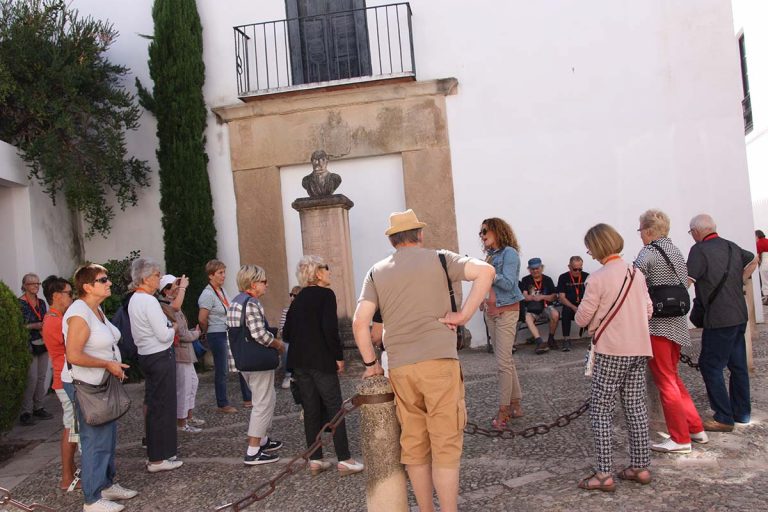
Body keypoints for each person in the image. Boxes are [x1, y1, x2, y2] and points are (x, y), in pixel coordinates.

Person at [352, 209, 494, 512]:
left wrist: (370, 364)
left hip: (400, 367)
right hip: (439, 361)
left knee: (414, 444)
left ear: (392, 240)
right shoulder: (441, 259)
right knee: (445, 444)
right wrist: (465, 314)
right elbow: (486, 272)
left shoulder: (376, 271)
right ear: (420, 235)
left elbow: (359, 323)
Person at [575, 223, 653, 492]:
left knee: (601, 410)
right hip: (639, 347)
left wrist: (596, 319)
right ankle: (640, 467)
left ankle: (604, 473)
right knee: (635, 407)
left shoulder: (597, 278)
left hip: (611, 349)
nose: (589, 252)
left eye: (590, 247)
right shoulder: (636, 273)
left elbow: (583, 317)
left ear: (597, 247)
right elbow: (648, 309)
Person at [64, 264, 138, 512]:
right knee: (94, 440)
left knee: (108, 436)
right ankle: (92, 499)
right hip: (86, 384)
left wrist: (111, 365)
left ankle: (106, 485)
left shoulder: (95, 310)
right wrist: (108, 363)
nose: (108, 283)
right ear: (87, 286)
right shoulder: (79, 313)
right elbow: (73, 354)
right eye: (103, 279)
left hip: (102, 382)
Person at [634, 209, 707, 454]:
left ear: (648, 230)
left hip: (658, 324)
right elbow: (685, 281)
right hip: (677, 321)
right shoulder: (675, 250)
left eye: (641, 231)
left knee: (665, 381)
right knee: (673, 377)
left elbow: (633, 284)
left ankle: (679, 437)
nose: (640, 236)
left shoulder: (648, 252)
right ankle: (695, 427)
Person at [284, 256, 364, 476]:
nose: (329, 272)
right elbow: (330, 329)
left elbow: (287, 333)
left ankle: (315, 459)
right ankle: (345, 459)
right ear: (317, 273)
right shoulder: (326, 295)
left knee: (311, 410)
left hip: (300, 362)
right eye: (326, 269)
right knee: (334, 408)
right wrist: (339, 357)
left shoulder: (297, 298)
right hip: (321, 360)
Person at [687, 214, 757, 432]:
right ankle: (742, 413)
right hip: (739, 314)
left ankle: (723, 417)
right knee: (738, 366)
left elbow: (688, 280)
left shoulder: (699, 250)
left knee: (711, 365)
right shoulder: (731, 246)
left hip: (718, 318)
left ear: (696, 232)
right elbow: (754, 259)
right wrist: (740, 280)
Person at [227, 265, 286, 465]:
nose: (266, 285)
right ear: (253, 284)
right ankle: (253, 450)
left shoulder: (235, 302)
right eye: (263, 281)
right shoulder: (252, 303)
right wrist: (278, 345)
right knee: (262, 403)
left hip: (244, 361)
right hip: (258, 361)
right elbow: (259, 334)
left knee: (265, 399)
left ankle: (262, 439)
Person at [128, 258, 182, 473]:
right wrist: (174, 328)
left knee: (154, 405)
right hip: (159, 355)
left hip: (146, 355)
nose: (159, 279)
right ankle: (159, 457)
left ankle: (157, 453)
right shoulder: (149, 301)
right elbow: (163, 334)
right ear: (146, 278)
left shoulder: (134, 299)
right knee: (163, 406)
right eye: (157, 275)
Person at [479, 217, 525, 428]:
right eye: (480, 232)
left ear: (497, 231)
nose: (482, 234)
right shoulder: (490, 256)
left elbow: (508, 283)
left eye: (485, 230)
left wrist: (489, 273)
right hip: (491, 312)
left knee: (502, 364)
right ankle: (516, 404)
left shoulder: (509, 254)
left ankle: (503, 410)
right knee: (506, 360)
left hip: (507, 312)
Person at [198, 259, 252, 413]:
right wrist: (207, 331)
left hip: (227, 332)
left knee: (240, 363)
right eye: (220, 273)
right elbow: (202, 318)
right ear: (211, 275)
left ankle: (248, 398)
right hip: (217, 333)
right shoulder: (207, 294)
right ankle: (222, 403)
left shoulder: (222, 290)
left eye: (224, 272)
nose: (224, 276)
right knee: (222, 369)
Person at [41, 275, 78, 491]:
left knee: (72, 427)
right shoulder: (54, 320)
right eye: (68, 293)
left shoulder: (56, 317)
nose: (71, 297)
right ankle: (66, 476)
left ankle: (70, 473)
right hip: (64, 378)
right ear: (56, 296)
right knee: (71, 429)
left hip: (63, 377)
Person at [157, 274, 204, 433]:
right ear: (166, 291)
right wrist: (196, 334)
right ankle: (182, 422)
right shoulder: (167, 306)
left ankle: (188, 416)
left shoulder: (172, 304)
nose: (178, 291)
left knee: (192, 383)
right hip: (180, 353)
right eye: (175, 288)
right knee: (184, 388)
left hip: (185, 352)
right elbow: (182, 334)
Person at [19, 272, 52, 426]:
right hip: (29, 344)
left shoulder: (41, 302)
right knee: (31, 378)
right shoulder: (20, 303)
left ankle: (39, 406)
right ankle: (26, 411)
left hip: (43, 342)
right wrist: (34, 326)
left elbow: (45, 319)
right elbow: (19, 326)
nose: (36, 286)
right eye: (32, 284)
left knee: (41, 376)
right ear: (24, 285)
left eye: (38, 284)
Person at [520, 258, 560, 353]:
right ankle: (539, 342)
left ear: (541, 268)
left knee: (555, 314)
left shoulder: (547, 279)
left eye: (537, 268)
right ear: (529, 269)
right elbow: (524, 296)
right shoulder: (525, 280)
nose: (535, 271)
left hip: (546, 307)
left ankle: (551, 339)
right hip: (532, 308)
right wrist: (533, 297)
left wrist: (542, 297)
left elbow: (554, 297)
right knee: (527, 317)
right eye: (532, 269)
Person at [556, 256, 589, 352]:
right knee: (566, 310)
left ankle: (595, 337)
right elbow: (562, 297)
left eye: (580, 269)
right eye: (575, 269)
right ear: (569, 267)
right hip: (570, 306)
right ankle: (566, 339)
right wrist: (574, 307)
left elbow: (592, 294)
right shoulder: (563, 277)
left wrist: (583, 306)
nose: (578, 271)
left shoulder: (587, 276)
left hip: (584, 305)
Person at [278, 285, 302, 389]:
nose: (292, 297)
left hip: (302, 338)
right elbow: (281, 329)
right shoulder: (286, 311)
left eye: (295, 295)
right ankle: (288, 375)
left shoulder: (306, 310)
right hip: (290, 338)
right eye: (291, 295)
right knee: (286, 346)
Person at [755, 230, 768, 304]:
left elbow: (758, 256)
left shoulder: (758, 243)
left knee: (765, 281)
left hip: (765, 262)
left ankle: (767, 298)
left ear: (757, 236)